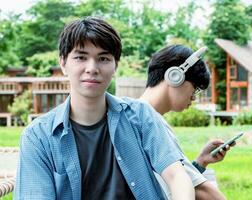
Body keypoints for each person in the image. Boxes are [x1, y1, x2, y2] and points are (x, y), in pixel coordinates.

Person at [14, 17, 195, 200]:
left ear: (115, 65)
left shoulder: (141, 116)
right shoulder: (38, 137)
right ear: (63, 63)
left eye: (103, 58)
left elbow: (177, 176)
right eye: (80, 57)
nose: (92, 68)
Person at [140, 44, 233, 200]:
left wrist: (200, 162)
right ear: (175, 76)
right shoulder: (148, 121)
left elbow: (169, 177)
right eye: (195, 88)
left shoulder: (141, 116)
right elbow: (200, 190)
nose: (194, 97)